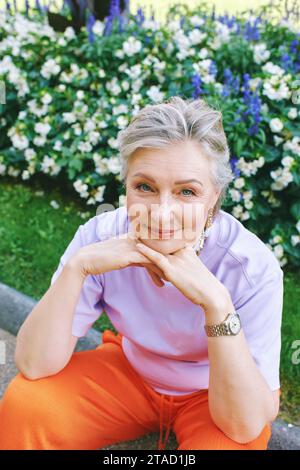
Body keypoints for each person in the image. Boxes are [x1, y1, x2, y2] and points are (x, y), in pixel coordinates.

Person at [0, 96, 283, 450]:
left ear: (214, 196)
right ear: (126, 186)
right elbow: (33, 363)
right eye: (145, 187)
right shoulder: (100, 237)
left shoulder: (251, 267)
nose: (161, 214)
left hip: (214, 389)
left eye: (187, 192)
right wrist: (77, 268)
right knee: (26, 407)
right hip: (132, 372)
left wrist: (217, 305)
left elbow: (243, 425)